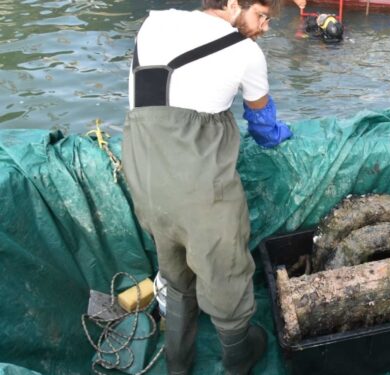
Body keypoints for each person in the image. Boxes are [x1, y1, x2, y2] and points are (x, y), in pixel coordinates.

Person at [121, 0, 299, 373]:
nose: (265, 27)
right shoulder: (245, 51)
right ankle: (238, 357)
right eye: (262, 15)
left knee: (175, 271)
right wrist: (283, 134)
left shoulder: (153, 24)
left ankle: (177, 363)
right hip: (197, 186)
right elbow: (263, 126)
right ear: (234, 3)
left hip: (143, 177)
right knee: (226, 272)